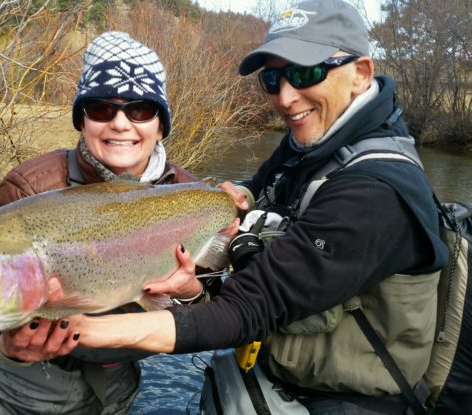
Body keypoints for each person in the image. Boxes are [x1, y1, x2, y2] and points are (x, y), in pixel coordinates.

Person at [38, 1, 450, 414]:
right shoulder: (312, 144)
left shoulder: (376, 193)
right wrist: (235, 205)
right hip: (280, 375)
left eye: (307, 73)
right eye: (273, 79)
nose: (286, 98)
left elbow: (244, 310)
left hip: (347, 401)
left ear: (360, 74)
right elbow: (254, 194)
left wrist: (77, 328)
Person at [0, 31, 206, 415]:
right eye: (101, 109)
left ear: (160, 123)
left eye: (139, 109)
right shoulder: (30, 187)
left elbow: (219, 312)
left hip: (108, 389)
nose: (120, 123)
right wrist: (7, 346)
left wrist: (189, 293)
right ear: (82, 119)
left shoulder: (194, 197)